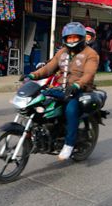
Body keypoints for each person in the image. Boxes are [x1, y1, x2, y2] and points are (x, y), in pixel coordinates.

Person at [25, 22, 98, 160]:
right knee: (38, 100)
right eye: (69, 38)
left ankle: (69, 145)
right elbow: (48, 68)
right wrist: (33, 75)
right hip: (61, 88)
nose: (71, 41)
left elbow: (89, 73)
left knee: (71, 110)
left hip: (79, 90)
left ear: (81, 38)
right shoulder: (62, 52)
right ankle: (37, 132)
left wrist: (77, 85)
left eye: (74, 37)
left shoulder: (91, 54)